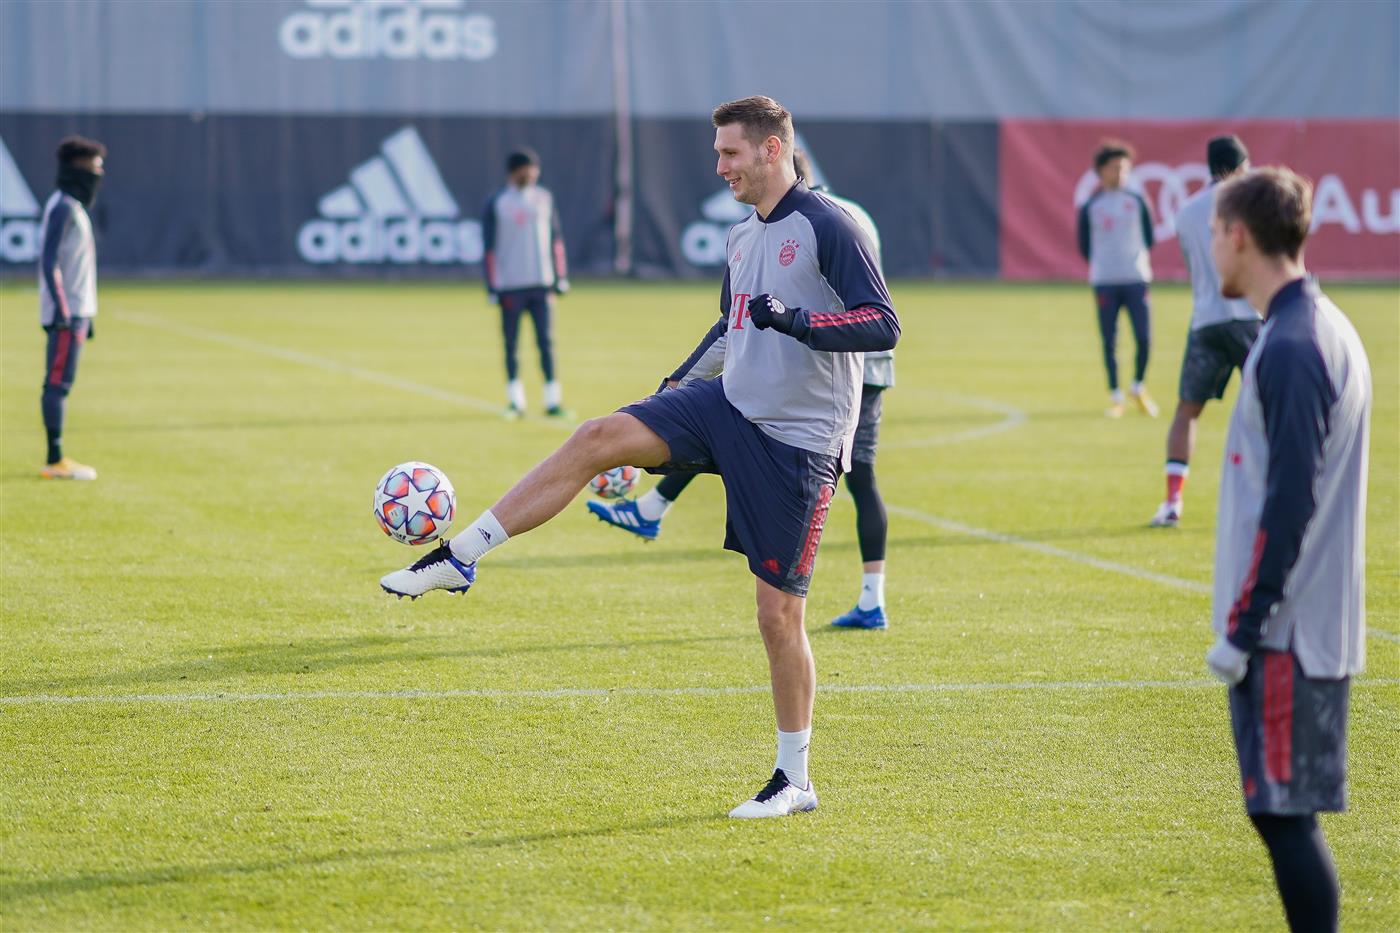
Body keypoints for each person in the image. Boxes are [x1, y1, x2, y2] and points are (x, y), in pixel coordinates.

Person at [381, 96, 899, 818]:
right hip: (729, 407)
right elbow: (730, 324)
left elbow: (883, 322)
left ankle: (795, 780)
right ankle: (459, 554)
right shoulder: (743, 236)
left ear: (772, 150)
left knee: (777, 616)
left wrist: (800, 322)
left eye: (730, 153)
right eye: (717, 153)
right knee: (597, 436)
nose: (720, 166)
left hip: (800, 443)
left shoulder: (826, 225)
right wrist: (671, 390)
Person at [586, 149, 896, 630]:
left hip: (842, 372)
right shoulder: (844, 216)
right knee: (723, 416)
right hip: (858, 367)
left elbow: (875, 312)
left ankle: (872, 597)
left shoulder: (829, 223)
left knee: (841, 473)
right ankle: (871, 596)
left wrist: (794, 321)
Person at [1205, 166, 1371, 933]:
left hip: (1286, 634)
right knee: (1283, 813)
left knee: (1284, 815)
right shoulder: (1308, 327)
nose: (1210, 248)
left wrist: (1246, 625)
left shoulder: (1296, 344)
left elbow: (1290, 501)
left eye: (1213, 232)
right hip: (1301, 626)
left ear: (1240, 236)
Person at [1150, 136, 1260, 528]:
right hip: (1250, 317)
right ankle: (1265, 494)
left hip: (1207, 321)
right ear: (1242, 165)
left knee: (1187, 411)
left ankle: (1172, 502)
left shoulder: (1186, 212)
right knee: (1271, 408)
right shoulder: (1251, 203)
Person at [482, 147, 571, 419]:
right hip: (510, 286)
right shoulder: (497, 202)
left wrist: (560, 277)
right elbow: (489, 249)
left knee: (546, 343)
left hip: (541, 283)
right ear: (515, 171)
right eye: (527, 168)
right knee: (511, 344)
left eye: (535, 169)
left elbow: (555, 238)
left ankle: (552, 400)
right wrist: (492, 286)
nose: (532, 174)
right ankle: (515, 401)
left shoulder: (544, 198)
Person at [38, 135, 106, 481]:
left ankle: (57, 458)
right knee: (57, 383)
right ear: (79, 169)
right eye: (96, 167)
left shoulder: (74, 207)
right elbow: (49, 260)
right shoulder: (63, 207)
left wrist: (86, 314)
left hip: (78, 310)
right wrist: (64, 310)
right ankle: (55, 460)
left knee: (62, 382)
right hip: (67, 313)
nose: (100, 173)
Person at [1077, 140, 1158, 418]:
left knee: (1144, 338)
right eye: (1114, 167)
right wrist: (1105, 265)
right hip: (1105, 282)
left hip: (1136, 279)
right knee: (1109, 340)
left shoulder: (1137, 202)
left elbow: (1150, 238)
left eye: (1125, 167)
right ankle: (1116, 395)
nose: (1120, 172)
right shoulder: (1091, 206)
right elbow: (1084, 245)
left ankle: (1138, 386)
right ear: (1101, 171)